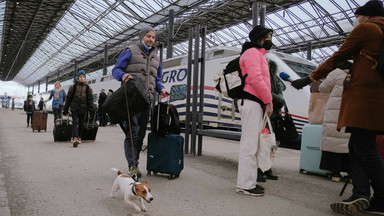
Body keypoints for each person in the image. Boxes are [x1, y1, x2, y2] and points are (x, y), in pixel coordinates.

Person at [291, 1, 384, 214]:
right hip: (376, 98)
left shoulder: (367, 28)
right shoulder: (380, 31)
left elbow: (338, 54)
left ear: (365, 15)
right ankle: (360, 193)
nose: (355, 19)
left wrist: (310, 77)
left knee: (367, 149)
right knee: (357, 147)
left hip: (364, 99)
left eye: (357, 15)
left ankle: (379, 197)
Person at [112, 25, 168, 177]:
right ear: (142, 37)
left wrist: (161, 88)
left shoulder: (156, 58)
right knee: (132, 133)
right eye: (148, 36)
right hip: (130, 100)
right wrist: (123, 76)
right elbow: (116, 70)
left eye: (153, 37)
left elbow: (157, 79)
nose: (151, 39)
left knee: (141, 135)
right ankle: (133, 166)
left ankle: (134, 162)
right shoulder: (129, 51)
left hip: (147, 101)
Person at [235, 25, 274, 197]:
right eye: (268, 36)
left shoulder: (258, 54)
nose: (270, 40)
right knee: (249, 144)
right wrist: (269, 101)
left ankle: (249, 182)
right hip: (251, 101)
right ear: (260, 38)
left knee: (253, 144)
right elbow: (256, 79)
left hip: (255, 102)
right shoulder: (251, 53)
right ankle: (245, 184)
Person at [317, 69, 351, 182]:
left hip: (335, 114)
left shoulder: (337, 72)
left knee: (333, 139)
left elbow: (323, 88)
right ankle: (352, 173)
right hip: (352, 112)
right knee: (350, 142)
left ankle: (335, 173)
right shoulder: (362, 69)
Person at [63, 70, 95, 147]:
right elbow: (68, 99)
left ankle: (79, 137)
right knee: (75, 122)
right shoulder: (73, 87)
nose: (82, 78)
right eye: (80, 76)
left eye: (83, 77)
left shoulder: (88, 88)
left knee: (81, 123)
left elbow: (90, 100)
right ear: (78, 77)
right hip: (74, 108)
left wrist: (92, 109)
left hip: (84, 109)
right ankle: (75, 138)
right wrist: (65, 109)